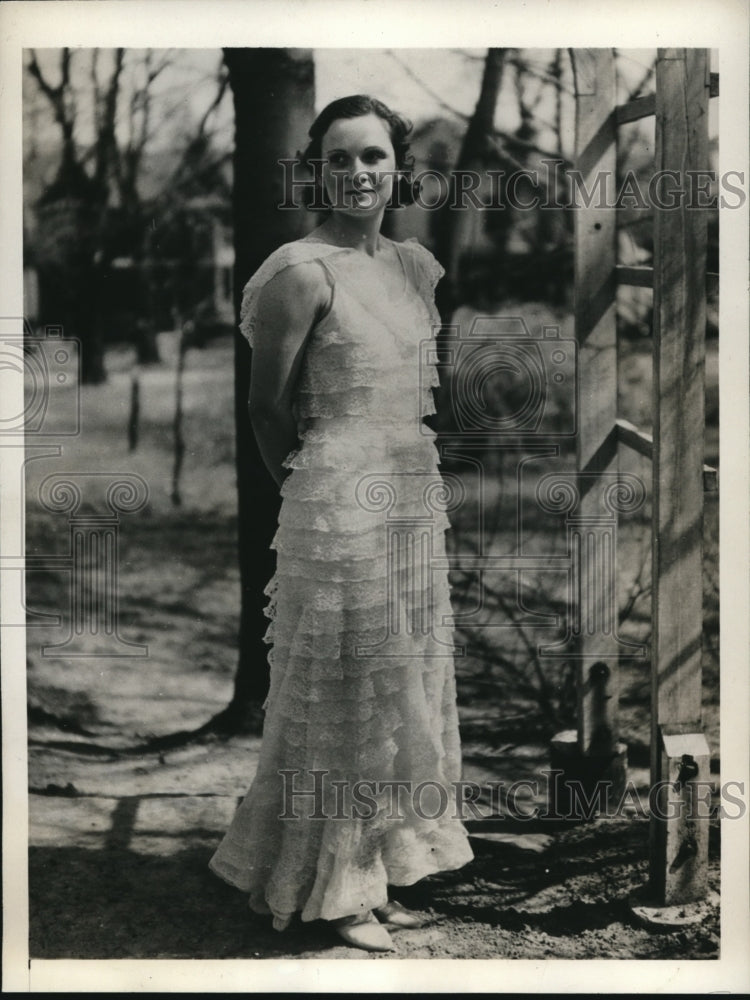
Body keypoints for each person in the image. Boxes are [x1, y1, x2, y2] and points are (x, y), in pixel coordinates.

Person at [209, 94, 473, 953]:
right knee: (343, 690)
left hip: (411, 493)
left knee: (404, 682)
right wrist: (315, 489)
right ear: (316, 170)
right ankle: (333, 890)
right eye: (339, 159)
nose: (358, 174)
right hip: (334, 501)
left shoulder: (414, 267)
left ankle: (373, 865)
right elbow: (264, 408)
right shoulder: (299, 270)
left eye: (373, 157)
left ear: (398, 167)